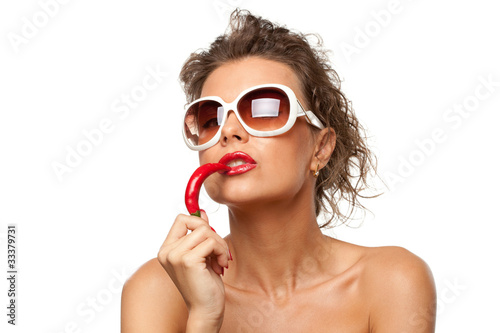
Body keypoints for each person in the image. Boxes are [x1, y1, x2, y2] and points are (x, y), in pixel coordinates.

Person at [121, 9, 436, 332]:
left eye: (265, 108)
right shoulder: (156, 290)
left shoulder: (391, 281)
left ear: (321, 148)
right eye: (211, 118)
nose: (229, 131)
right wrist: (204, 316)